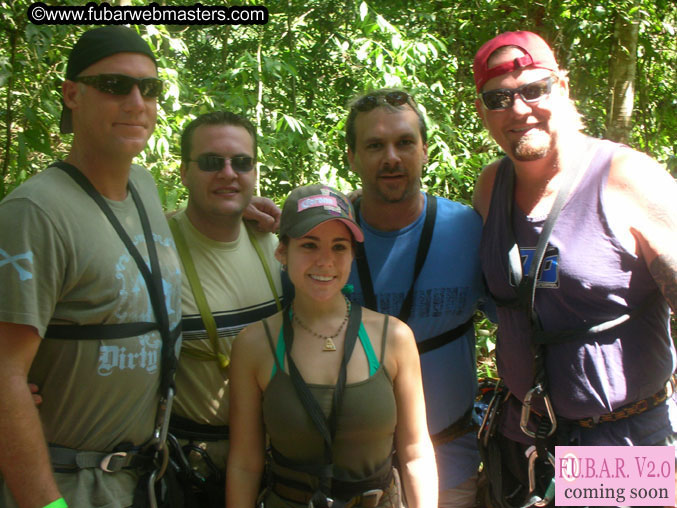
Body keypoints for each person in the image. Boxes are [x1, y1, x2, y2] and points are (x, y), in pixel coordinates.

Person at [472, 30, 677, 507]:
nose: (518, 108)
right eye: (498, 97)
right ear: (482, 111)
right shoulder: (491, 187)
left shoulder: (625, 177)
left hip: (621, 442)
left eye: (533, 89)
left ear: (561, 88)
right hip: (525, 439)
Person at [0, 26, 182, 508]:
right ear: (72, 94)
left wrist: (240, 210)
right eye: (115, 86)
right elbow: (3, 372)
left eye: (151, 87)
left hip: (143, 480)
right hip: (68, 486)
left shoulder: (144, 186)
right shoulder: (34, 213)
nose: (137, 101)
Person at [227, 184, 438, 507]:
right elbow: (244, 463)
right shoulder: (255, 345)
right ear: (282, 251)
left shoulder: (393, 338)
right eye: (309, 245)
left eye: (339, 247)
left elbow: (416, 452)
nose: (325, 261)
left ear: (353, 254)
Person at [344, 88, 489, 507]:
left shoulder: (468, 230)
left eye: (405, 142)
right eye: (374, 145)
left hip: (450, 470)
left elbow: (523, 327)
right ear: (352, 157)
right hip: (350, 476)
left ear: (425, 150)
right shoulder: (326, 240)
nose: (391, 157)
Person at [167, 110, 285, 507]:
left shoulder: (277, 248)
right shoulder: (155, 251)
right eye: (211, 162)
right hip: (196, 469)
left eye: (242, 162)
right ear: (184, 172)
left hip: (278, 464)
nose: (228, 173)